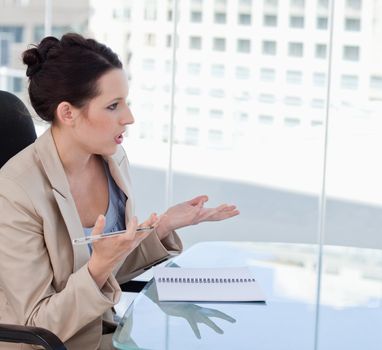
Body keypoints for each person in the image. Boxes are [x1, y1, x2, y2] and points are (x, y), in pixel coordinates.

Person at [0, 33, 239, 349]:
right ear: (68, 113)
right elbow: (35, 326)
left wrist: (162, 226)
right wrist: (98, 267)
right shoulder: (15, 191)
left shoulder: (112, 159)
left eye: (126, 102)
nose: (129, 118)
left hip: (109, 334)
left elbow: (110, 271)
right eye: (113, 106)